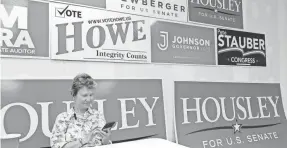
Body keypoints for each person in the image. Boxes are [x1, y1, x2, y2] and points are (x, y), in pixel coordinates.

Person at [50, 73, 112, 148]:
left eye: (91, 95)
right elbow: (56, 146)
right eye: (84, 95)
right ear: (74, 95)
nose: (89, 99)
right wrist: (83, 141)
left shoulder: (98, 115)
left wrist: (106, 140)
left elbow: (104, 144)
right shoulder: (63, 118)